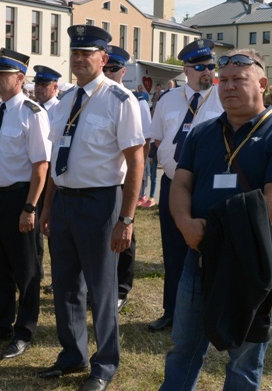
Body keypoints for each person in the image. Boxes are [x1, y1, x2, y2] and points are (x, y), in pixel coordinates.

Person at [160, 49, 272, 390]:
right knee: (183, 347)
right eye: (222, 80)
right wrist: (184, 221)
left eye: (238, 79)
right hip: (199, 258)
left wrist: (211, 231)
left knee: (243, 360)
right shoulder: (202, 133)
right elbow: (181, 182)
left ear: (262, 84)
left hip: (250, 263)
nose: (227, 86)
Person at [38, 25, 144, 391]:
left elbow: (136, 161)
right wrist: (48, 206)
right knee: (65, 285)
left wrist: (126, 219)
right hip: (65, 201)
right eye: (76, 53)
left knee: (101, 287)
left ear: (104, 58)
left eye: (88, 54)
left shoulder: (119, 100)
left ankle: (105, 363)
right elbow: (55, 159)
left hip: (101, 203)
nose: (80, 59)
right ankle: (72, 354)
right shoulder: (65, 100)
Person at [0, 48, 50, 362]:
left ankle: (24, 331)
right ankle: (1, 324)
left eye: (4, 74)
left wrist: (30, 208)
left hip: (18, 198)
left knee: (26, 270)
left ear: (20, 79)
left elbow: (41, 165)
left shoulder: (32, 112)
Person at [149, 39, 224, 332]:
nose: (207, 72)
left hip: (208, 187)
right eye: (200, 67)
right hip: (172, 184)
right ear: (186, 70)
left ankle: (209, 313)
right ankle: (172, 311)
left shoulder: (221, 98)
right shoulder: (168, 99)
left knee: (210, 250)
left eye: (210, 66)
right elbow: (157, 139)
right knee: (174, 249)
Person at [103, 45, 150, 311]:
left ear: (123, 71)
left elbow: (142, 147)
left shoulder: (134, 101)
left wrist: (138, 181)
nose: (107, 73)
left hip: (125, 175)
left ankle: (121, 287)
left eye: (112, 69)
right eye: (105, 68)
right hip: (104, 177)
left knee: (125, 232)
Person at [31, 64, 61, 293]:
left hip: (54, 177)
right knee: (33, 227)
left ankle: (58, 277)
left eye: (44, 85)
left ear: (55, 87)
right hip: (36, 176)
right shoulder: (32, 109)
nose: (38, 89)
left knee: (53, 230)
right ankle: (35, 270)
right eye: (37, 84)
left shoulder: (60, 109)